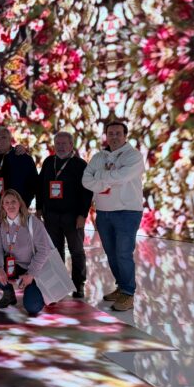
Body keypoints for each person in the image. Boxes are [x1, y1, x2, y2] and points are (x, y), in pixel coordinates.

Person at [82, 121, 145, 312]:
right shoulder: (98, 157)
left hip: (127, 212)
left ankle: (128, 293)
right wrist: (108, 179)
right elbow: (86, 180)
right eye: (111, 133)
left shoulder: (133, 155)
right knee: (111, 252)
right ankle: (121, 287)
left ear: (125, 135)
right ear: (106, 136)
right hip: (103, 212)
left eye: (118, 133)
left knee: (123, 253)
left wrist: (99, 176)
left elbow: (123, 177)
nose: (114, 136)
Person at [36, 132, 93, 298]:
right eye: (57, 143)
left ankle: (78, 285)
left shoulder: (80, 164)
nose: (60, 146)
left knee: (77, 251)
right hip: (51, 216)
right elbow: (40, 186)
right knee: (54, 252)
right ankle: (59, 284)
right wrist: (39, 208)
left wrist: (82, 214)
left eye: (63, 143)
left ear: (71, 145)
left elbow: (87, 192)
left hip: (72, 217)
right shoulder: (49, 162)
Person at [0, 190, 52, 315]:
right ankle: (9, 293)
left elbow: (44, 250)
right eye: (7, 202)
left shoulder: (32, 222)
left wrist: (31, 274)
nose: (10, 205)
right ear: (3, 206)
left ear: (20, 204)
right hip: (13, 266)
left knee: (33, 307)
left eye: (13, 201)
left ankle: (38, 292)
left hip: (33, 269)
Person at [0, 126, 38, 213]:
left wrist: (23, 204)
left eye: (4, 137)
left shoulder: (23, 158)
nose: (0, 140)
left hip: (17, 210)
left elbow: (33, 184)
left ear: (10, 139)